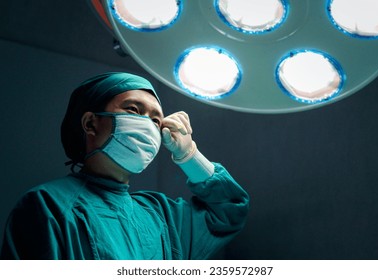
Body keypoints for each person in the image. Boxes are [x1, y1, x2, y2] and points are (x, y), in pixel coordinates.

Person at [0, 72, 249, 260]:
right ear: (90, 123)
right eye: (133, 109)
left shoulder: (161, 216)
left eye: (155, 120)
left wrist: (189, 155)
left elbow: (229, 211)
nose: (148, 126)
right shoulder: (50, 205)